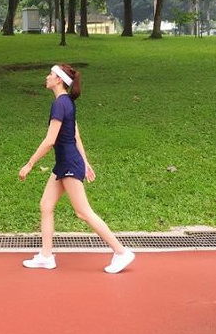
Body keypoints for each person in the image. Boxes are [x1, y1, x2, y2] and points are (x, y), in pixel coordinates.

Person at [18, 64, 135, 274]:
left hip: (69, 164)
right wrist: (85, 162)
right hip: (65, 163)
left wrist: (30, 164)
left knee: (83, 212)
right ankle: (46, 256)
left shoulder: (60, 104)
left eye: (51, 74)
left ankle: (121, 252)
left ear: (59, 80)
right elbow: (76, 135)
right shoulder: (67, 102)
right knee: (46, 205)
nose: (47, 77)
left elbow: (50, 141)